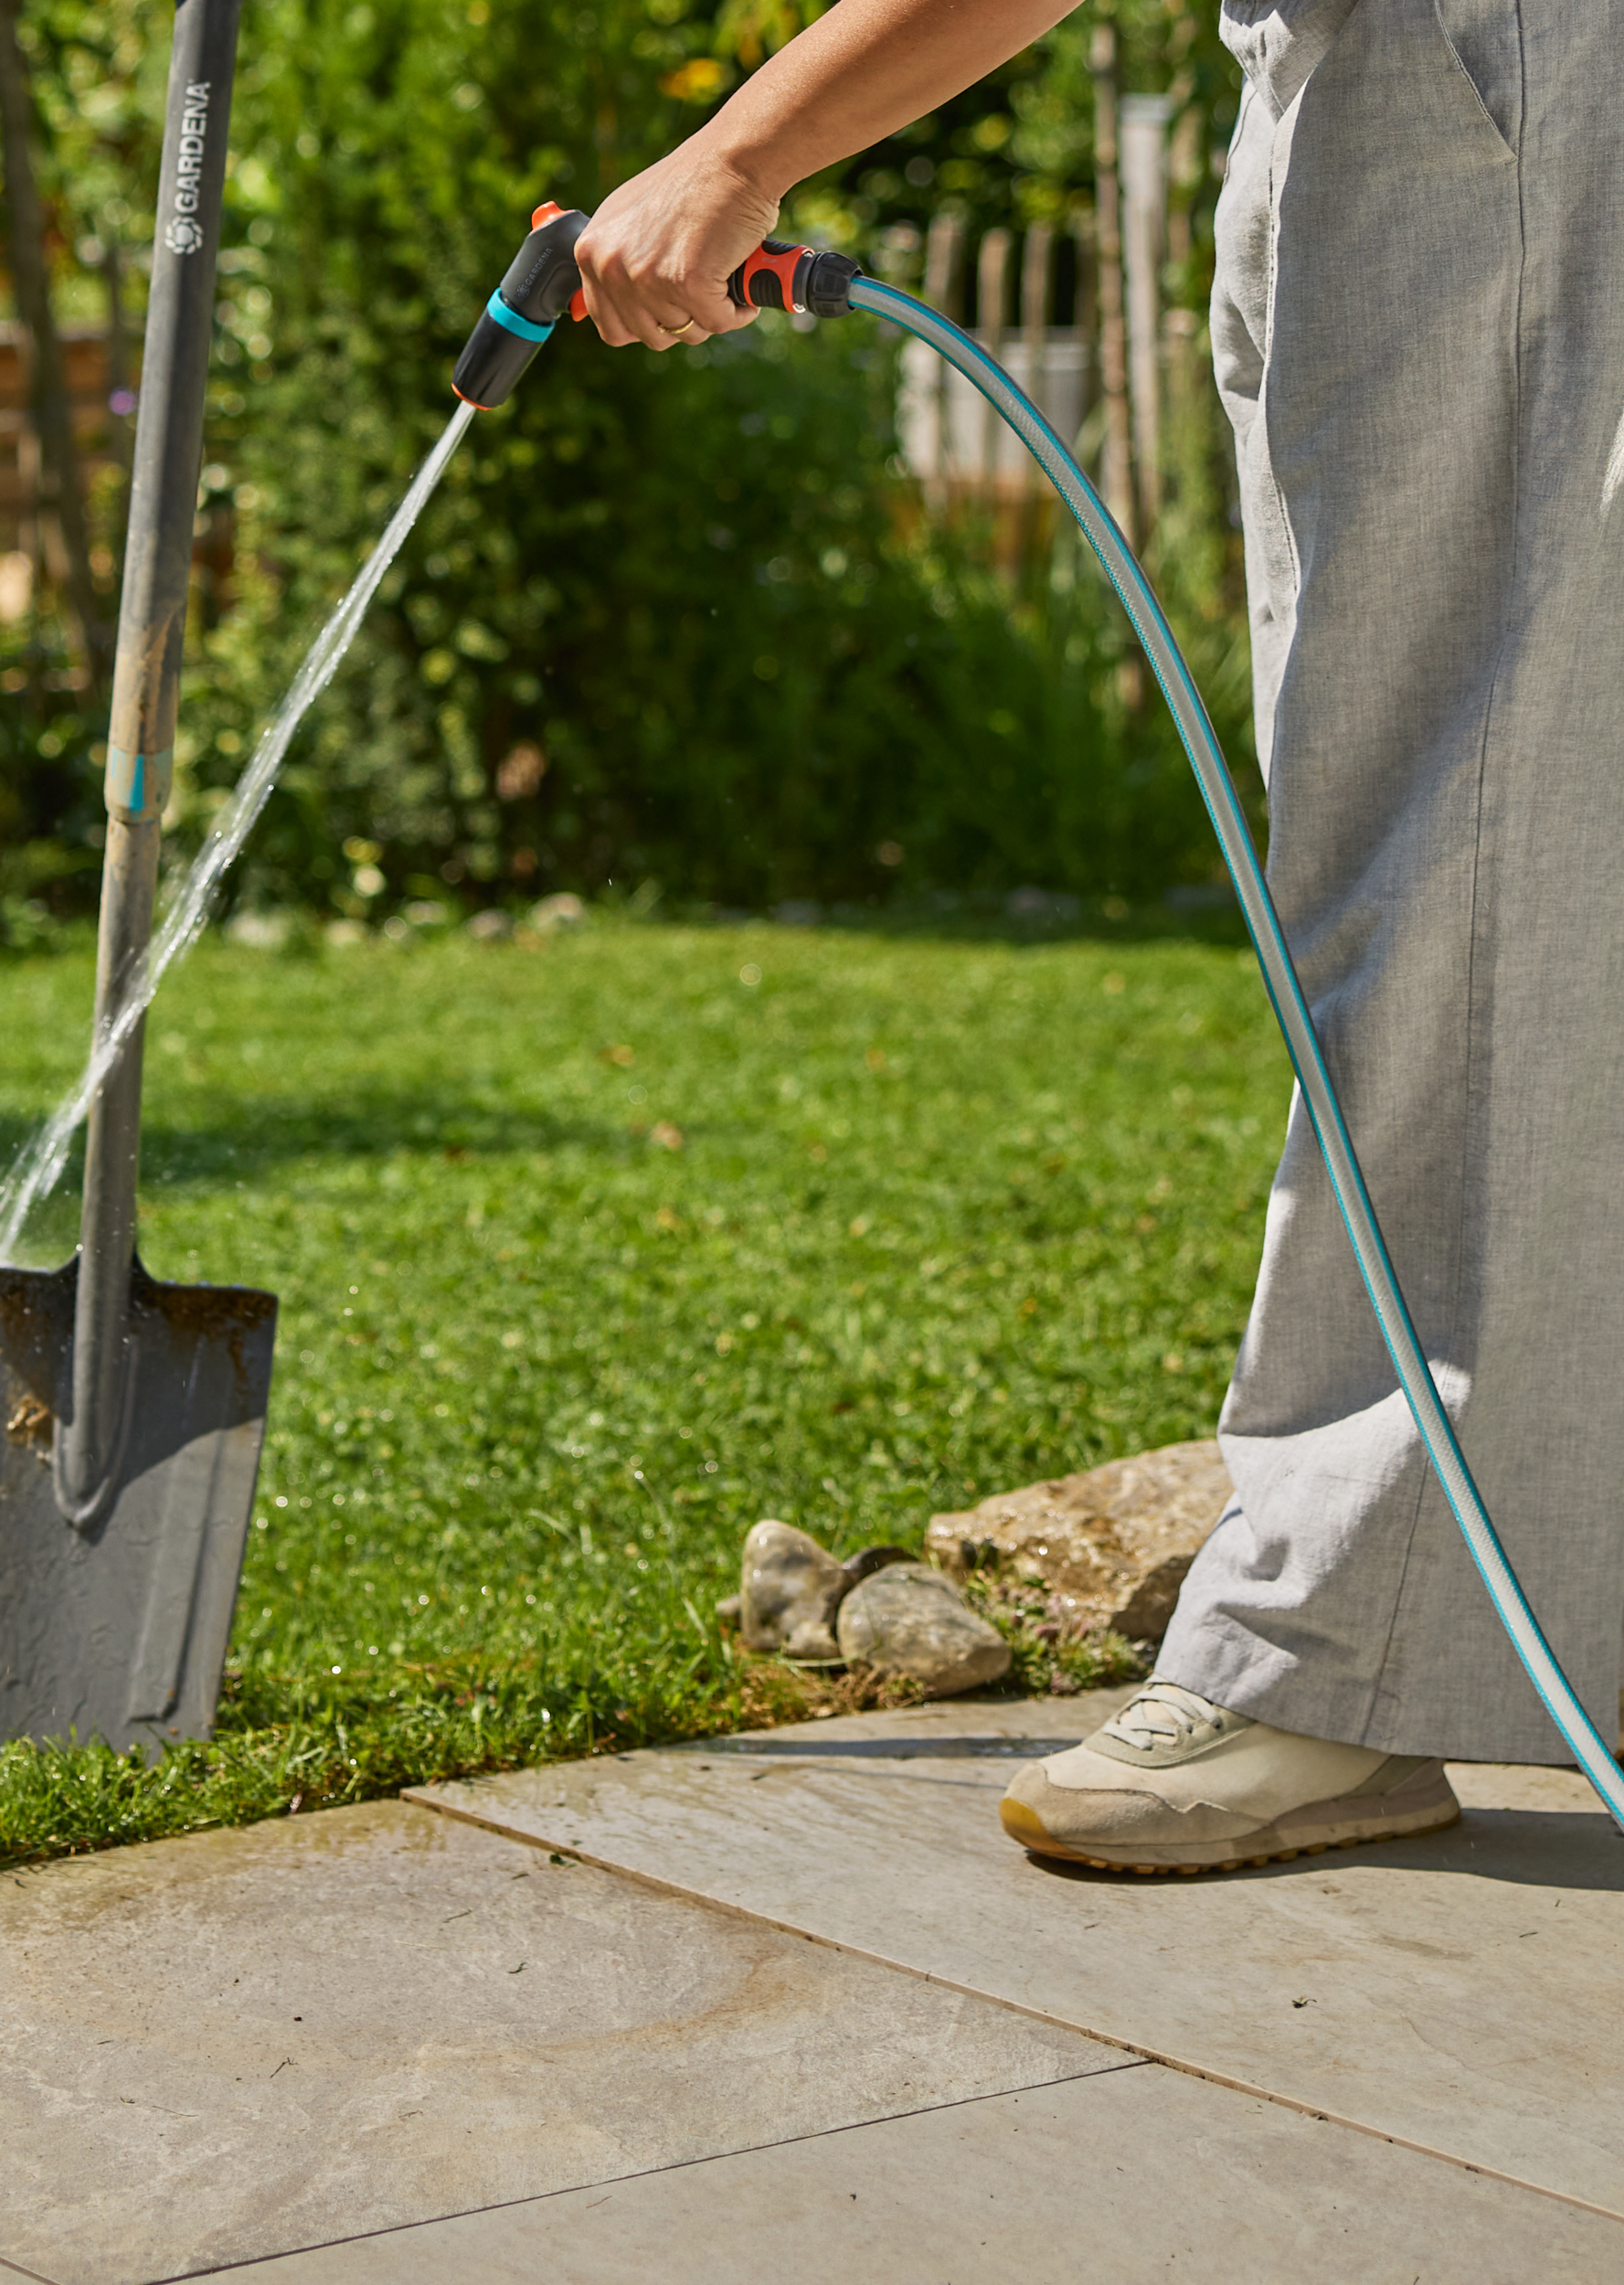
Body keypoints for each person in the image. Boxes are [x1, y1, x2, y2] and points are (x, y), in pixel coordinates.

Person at [576, 0, 1623, 1873]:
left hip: (1503, 96)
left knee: (1450, 878)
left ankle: (1336, 1658)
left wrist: (739, 150)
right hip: (1473, 100)